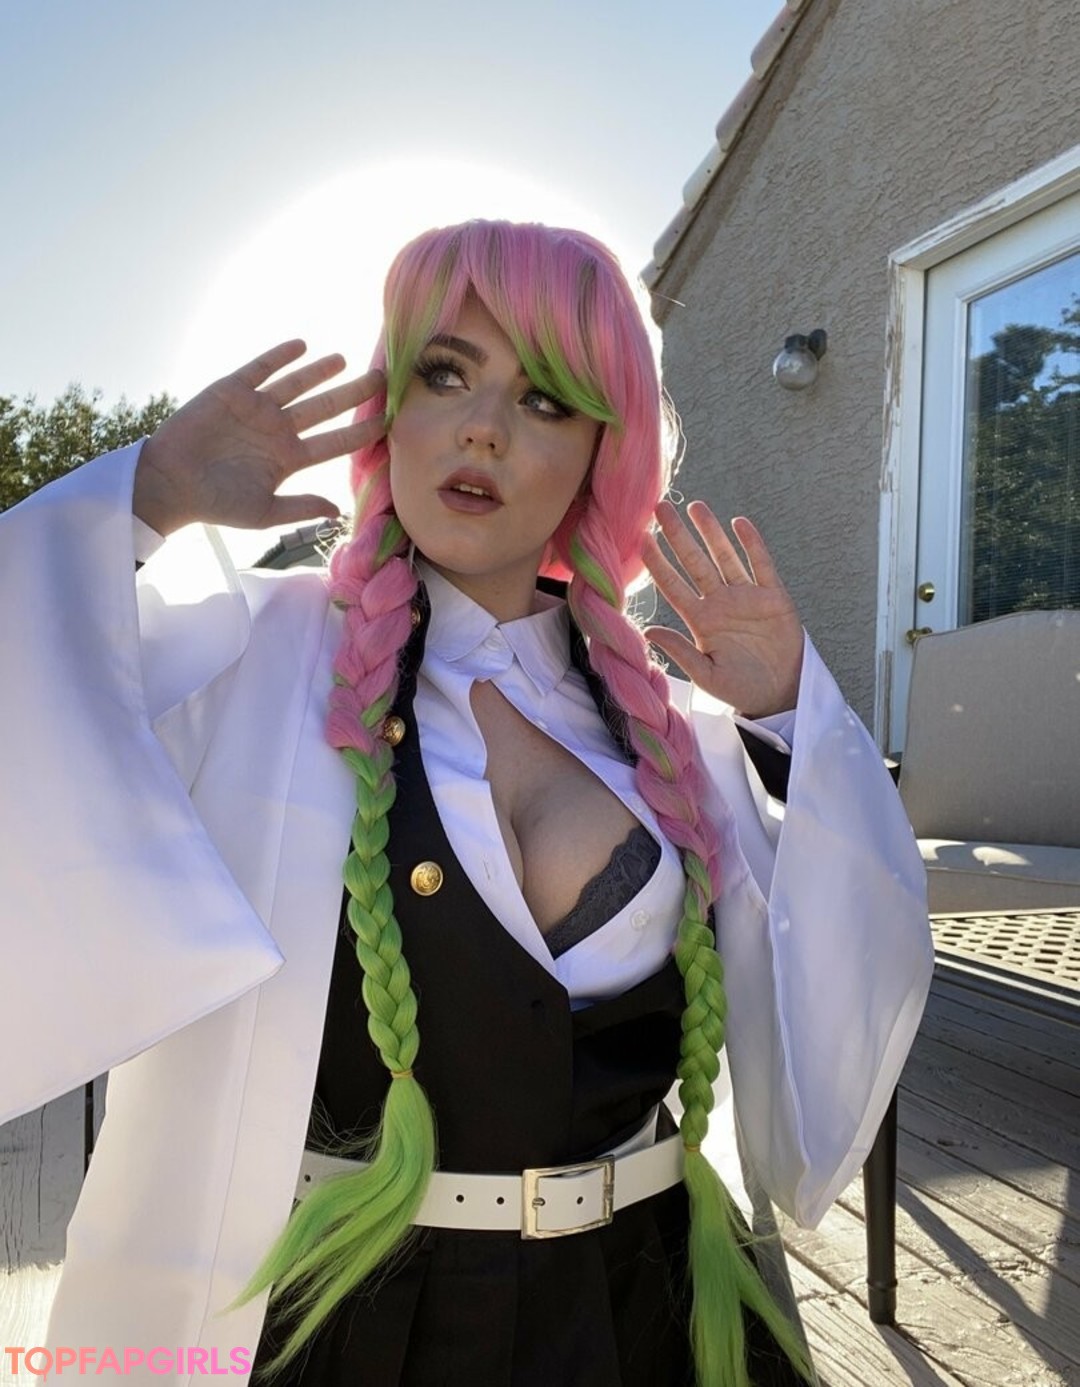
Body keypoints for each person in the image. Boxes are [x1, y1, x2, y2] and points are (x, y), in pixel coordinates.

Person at [0, 220, 933, 1387]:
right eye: (445, 374)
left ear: (601, 455)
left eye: (545, 400)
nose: (484, 425)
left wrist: (791, 715)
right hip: (347, 1326)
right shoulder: (247, 658)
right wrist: (144, 501)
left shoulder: (667, 723)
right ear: (390, 411)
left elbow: (845, 956)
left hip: (647, 1311)